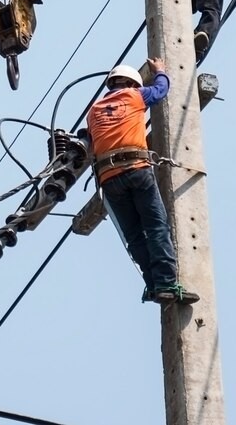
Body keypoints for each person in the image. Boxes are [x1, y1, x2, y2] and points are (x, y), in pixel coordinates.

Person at [86, 59, 200, 305]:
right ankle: (166, 283)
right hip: (135, 169)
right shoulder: (134, 96)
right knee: (157, 227)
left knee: (136, 236)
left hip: (109, 179)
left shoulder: (93, 111)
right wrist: (160, 70)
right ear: (131, 83)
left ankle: (153, 284)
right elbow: (160, 90)